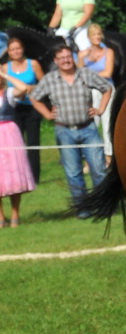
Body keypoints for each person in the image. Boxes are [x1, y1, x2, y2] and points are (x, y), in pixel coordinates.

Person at [29, 40, 110, 209]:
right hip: (64, 131)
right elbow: (34, 97)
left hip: (88, 129)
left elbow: (106, 88)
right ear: (56, 61)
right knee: (73, 172)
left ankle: (102, 205)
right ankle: (82, 208)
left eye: (68, 57)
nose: (66, 60)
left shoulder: (85, 74)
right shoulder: (50, 79)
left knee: (98, 169)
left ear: (72, 58)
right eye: (61, 58)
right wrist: (46, 114)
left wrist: (101, 109)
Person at [1, 37, 45, 183]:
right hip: (13, 109)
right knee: (16, 144)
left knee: (33, 143)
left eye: (18, 48)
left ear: (23, 49)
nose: (16, 52)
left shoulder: (33, 64)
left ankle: (34, 177)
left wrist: (31, 88)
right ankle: (19, 176)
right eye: (12, 49)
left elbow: (45, 84)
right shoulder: (5, 68)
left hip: (32, 107)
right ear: (9, 52)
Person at [0, 85, 36, 226]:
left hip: (9, 134)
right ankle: (1, 217)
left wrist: (5, 75)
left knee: (13, 172)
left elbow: (24, 88)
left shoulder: (8, 92)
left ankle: (15, 213)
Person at [80, 22, 117, 161]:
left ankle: (109, 157)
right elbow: (78, 73)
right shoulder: (83, 54)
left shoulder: (108, 52)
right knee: (91, 124)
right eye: (94, 34)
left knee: (107, 123)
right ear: (89, 37)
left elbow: (108, 72)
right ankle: (91, 158)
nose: (97, 37)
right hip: (89, 91)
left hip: (106, 89)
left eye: (99, 34)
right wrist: (81, 58)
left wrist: (88, 74)